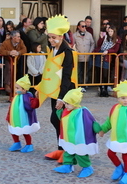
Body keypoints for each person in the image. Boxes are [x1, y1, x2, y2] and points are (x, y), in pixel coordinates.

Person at [35, 15, 77, 163]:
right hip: (54, 90)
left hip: (64, 91)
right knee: (57, 120)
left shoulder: (67, 52)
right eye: (50, 37)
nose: (51, 40)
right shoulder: (52, 50)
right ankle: (61, 150)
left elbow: (67, 76)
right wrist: (41, 87)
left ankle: (68, 151)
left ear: (61, 36)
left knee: (59, 119)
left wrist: (61, 98)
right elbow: (49, 71)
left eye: (54, 38)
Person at [99, 80, 127, 184]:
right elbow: (109, 121)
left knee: (125, 156)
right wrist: (103, 130)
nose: (125, 100)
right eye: (123, 98)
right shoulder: (115, 108)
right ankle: (119, 168)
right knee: (110, 153)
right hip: (115, 137)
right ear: (118, 97)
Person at [53, 88, 101, 177]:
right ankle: (68, 166)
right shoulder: (67, 111)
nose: (65, 105)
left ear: (75, 103)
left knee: (81, 153)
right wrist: (59, 111)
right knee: (68, 151)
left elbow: (91, 121)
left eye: (68, 103)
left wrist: (99, 129)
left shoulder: (83, 111)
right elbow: (63, 119)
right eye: (65, 103)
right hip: (69, 137)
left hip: (80, 138)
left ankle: (87, 167)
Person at [6, 74, 40, 153]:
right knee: (13, 130)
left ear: (24, 90)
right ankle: (16, 142)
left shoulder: (27, 97)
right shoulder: (17, 96)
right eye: (15, 87)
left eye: (17, 88)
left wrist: (36, 99)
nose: (15, 89)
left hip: (24, 119)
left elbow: (32, 106)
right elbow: (12, 107)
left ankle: (29, 144)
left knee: (25, 131)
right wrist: (9, 116)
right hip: (15, 118)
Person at [93, 25, 121, 97]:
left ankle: (105, 88)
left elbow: (115, 49)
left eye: (111, 31)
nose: (110, 33)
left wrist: (108, 51)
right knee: (99, 72)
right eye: (109, 31)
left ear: (114, 32)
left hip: (107, 56)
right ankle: (100, 88)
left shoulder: (117, 39)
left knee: (105, 73)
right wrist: (101, 38)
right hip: (100, 54)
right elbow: (99, 44)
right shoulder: (105, 37)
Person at [73, 20, 95, 90]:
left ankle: (84, 85)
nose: (84, 28)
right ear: (78, 27)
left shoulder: (89, 34)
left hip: (87, 57)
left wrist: (90, 52)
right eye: (82, 26)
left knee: (86, 71)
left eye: (85, 26)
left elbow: (92, 43)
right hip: (79, 57)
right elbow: (73, 45)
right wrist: (76, 51)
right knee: (79, 72)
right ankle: (79, 85)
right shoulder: (74, 35)